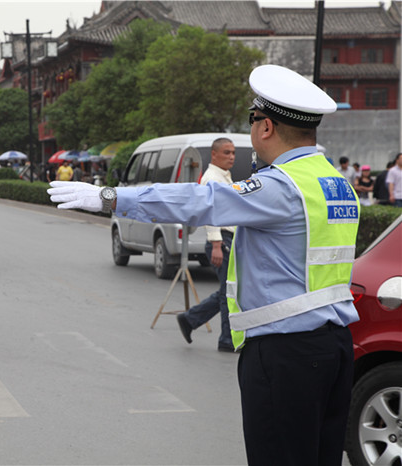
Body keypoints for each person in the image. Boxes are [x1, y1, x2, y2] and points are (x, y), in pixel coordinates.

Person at [48, 64, 359, 466]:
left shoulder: (281, 186)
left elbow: (202, 202)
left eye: (252, 122)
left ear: (265, 127)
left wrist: (111, 197)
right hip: (335, 347)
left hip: (287, 354)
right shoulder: (335, 183)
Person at [176, 137, 236, 352]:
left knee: (227, 290)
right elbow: (210, 211)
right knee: (229, 292)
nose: (231, 157)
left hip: (228, 239)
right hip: (221, 240)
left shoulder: (224, 177)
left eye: (233, 153)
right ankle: (227, 340)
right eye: (226, 152)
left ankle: (190, 319)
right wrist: (216, 243)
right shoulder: (212, 178)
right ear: (214, 154)